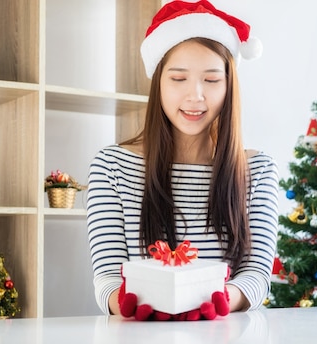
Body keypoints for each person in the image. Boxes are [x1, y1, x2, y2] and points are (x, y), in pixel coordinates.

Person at [86, 0, 277, 317]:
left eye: (212, 80)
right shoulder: (111, 168)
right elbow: (107, 277)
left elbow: (256, 276)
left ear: (230, 87)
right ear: (158, 83)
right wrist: (126, 305)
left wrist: (220, 300)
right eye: (178, 79)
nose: (195, 95)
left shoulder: (257, 170)